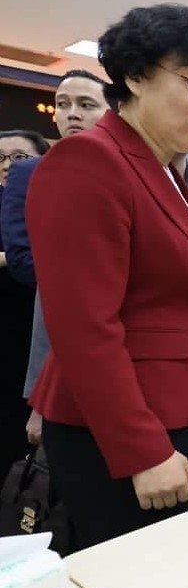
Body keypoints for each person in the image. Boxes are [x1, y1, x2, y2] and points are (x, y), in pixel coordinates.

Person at [25, 4, 188, 550]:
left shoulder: (166, 172)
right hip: (116, 429)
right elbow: (85, 328)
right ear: (135, 75)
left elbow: (177, 301)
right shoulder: (88, 162)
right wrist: (142, 450)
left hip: (179, 409)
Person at [3, 71, 111, 449]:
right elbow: (22, 259)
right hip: (47, 329)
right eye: (63, 105)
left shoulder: (122, 171)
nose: (72, 114)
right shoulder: (30, 173)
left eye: (86, 105)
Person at [0, 129, 48, 482]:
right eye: (0, 158)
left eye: (19, 157)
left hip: (30, 339)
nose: (7, 166)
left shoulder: (45, 206)